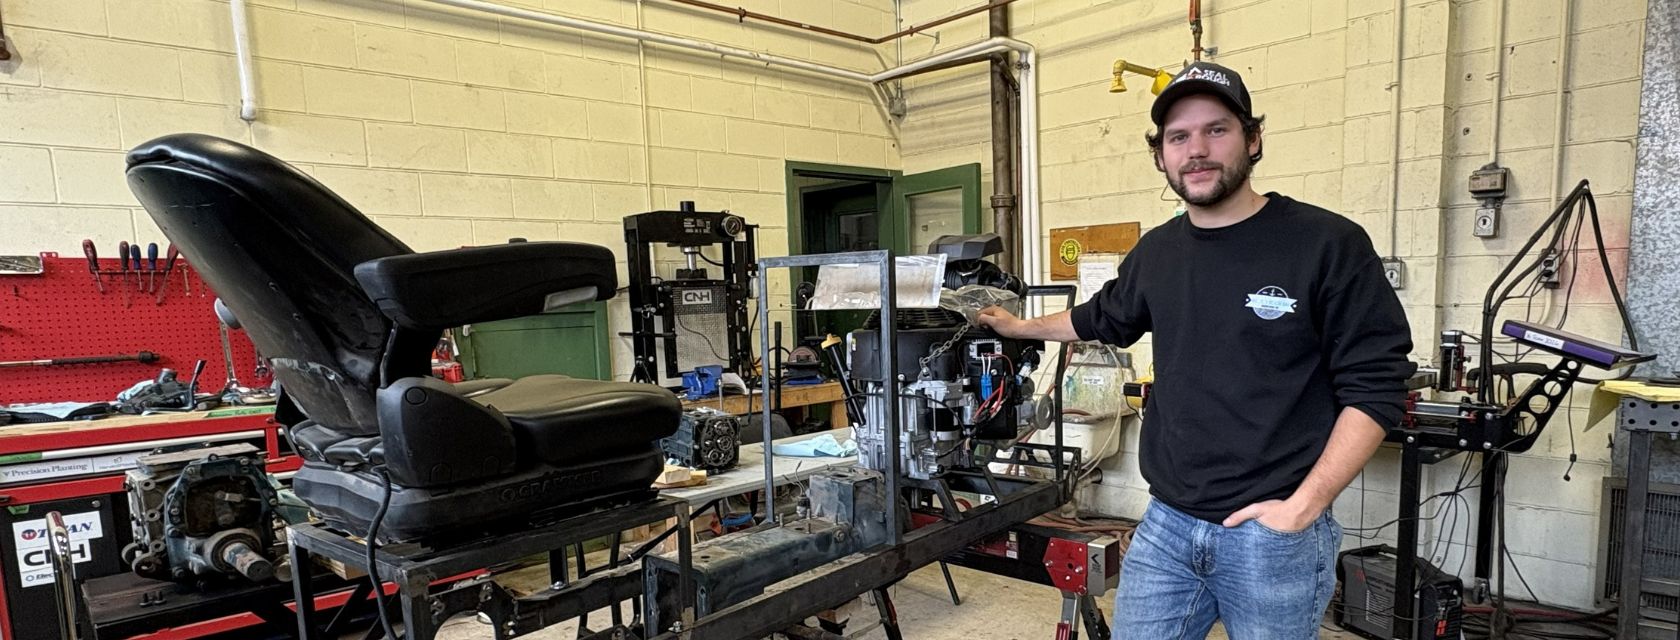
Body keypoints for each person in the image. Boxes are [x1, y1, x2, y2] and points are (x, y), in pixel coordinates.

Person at [976, 61, 1416, 638]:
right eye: (1179, 137)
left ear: (1253, 139)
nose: (1197, 150)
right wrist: (1017, 327)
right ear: (1161, 156)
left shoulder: (1327, 243)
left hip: (1271, 535)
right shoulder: (1157, 252)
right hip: (1167, 524)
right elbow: (1099, 317)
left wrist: (1302, 509)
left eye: (1217, 129)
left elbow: (1377, 388)